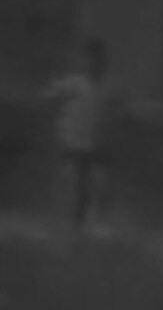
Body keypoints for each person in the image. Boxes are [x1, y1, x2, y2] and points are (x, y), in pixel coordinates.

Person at [44, 38, 118, 228]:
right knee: (76, 189)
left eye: (98, 59)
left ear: (104, 61)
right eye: (90, 59)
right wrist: (58, 128)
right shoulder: (72, 84)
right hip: (74, 145)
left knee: (99, 187)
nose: (94, 64)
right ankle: (73, 223)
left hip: (99, 146)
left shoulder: (110, 87)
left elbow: (118, 114)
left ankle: (92, 223)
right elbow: (48, 99)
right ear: (84, 61)